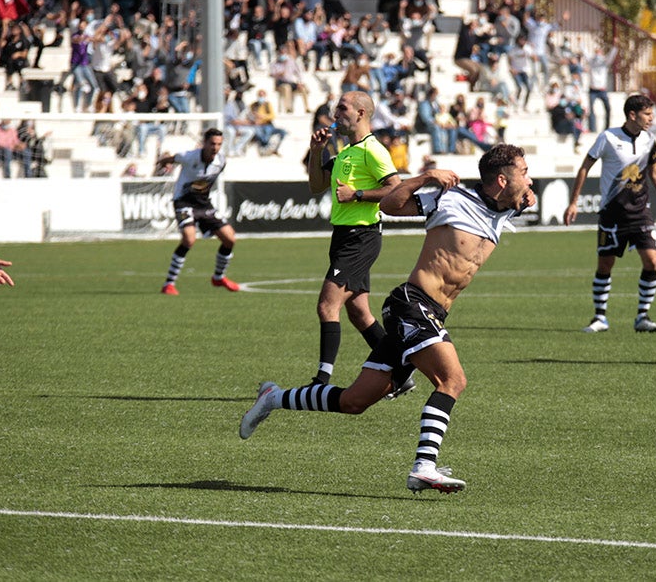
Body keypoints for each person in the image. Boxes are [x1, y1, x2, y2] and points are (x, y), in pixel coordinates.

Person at [240, 144, 536, 494]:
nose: (530, 178)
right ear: (502, 179)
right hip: (412, 305)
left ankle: (274, 397)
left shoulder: (504, 208)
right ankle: (424, 467)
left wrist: (523, 197)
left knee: (354, 401)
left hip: (431, 312)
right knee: (452, 380)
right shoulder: (450, 199)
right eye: (525, 171)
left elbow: (515, 201)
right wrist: (425, 177)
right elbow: (389, 205)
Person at [564, 94, 656, 333]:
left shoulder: (649, 139)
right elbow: (584, 167)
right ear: (633, 115)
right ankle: (600, 317)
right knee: (605, 264)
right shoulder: (608, 138)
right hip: (612, 213)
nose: (651, 119)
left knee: (652, 261)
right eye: (647, 114)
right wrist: (573, 202)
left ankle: (642, 317)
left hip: (641, 212)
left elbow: (654, 173)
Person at [305, 90, 402, 387]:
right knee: (359, 313)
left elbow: (397, 189)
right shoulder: (343, 153)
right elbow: (316, 186)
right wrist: (316, 150)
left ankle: (321, 380)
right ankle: (401, 372)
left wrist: (357, 194)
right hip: (343, 237)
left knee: (326, 306)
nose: (335, 113)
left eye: (342, 108)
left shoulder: (373, 150)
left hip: (362, 237)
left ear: (361, 113)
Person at [157, 128, 240, 296]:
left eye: (218, 144)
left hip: (204, 204)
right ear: (204, 143)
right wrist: (163, 161)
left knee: (229, 239)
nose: (215, 148)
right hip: (184, 202)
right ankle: (169, 284)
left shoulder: (221, 162)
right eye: (212, 144)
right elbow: (172, 158)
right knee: (189, 239)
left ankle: (218, 277)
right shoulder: (189, 157)